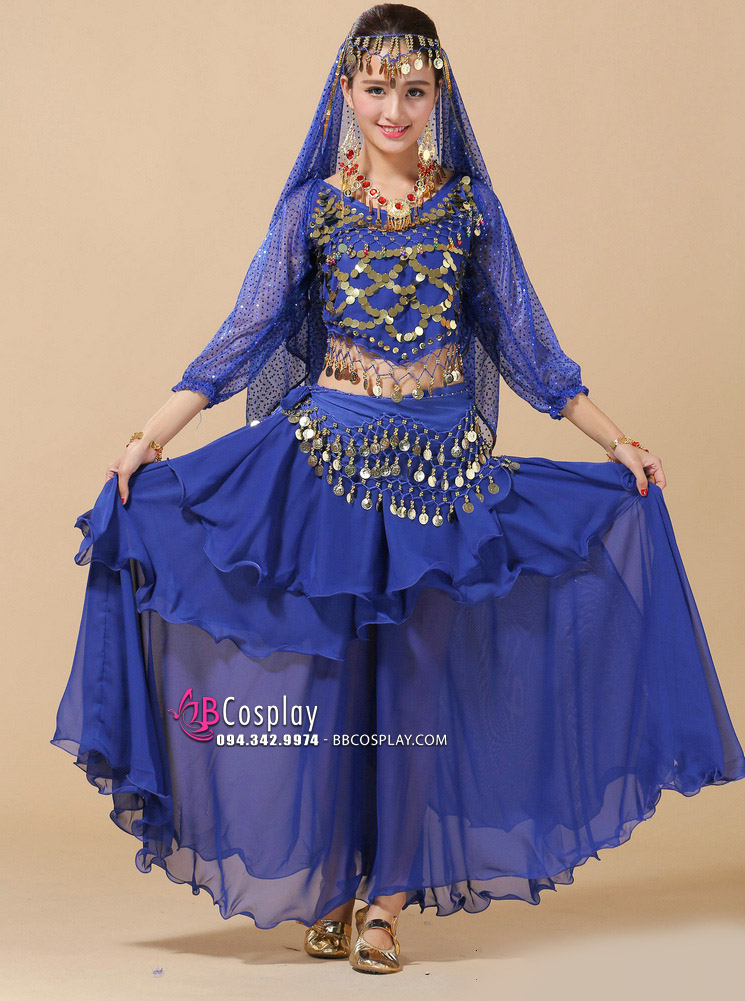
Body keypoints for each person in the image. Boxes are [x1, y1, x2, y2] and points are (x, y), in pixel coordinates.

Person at [50, 4, 745, 978]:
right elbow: (241, 336)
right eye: (375, 88)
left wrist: (614, 437)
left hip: (441, 483)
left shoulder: (468, 210)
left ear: (437, 96)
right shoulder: (313, 211)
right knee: (332, 689)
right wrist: (147, 438)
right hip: (322, 472)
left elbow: (528, 347)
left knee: (414, 690)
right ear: (346, 92)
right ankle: (336, 889)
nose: (392, 108)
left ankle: (387, 904)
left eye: (412, 90)